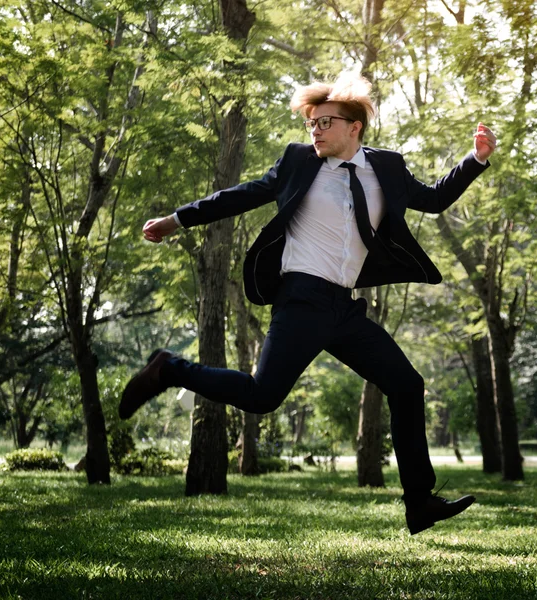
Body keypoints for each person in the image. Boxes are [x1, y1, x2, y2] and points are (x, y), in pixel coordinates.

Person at [120, 73, 497, 535]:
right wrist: (177, 219)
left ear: (354, 127)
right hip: (300, 298)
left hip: (343, 306)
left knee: (406, 385)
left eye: (324, 123)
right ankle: (168, 369)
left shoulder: (388, 168)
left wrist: (476, 159)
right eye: (311, 124)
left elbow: (435, 200)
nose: (314, 130)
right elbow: (242, 195)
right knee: (262, 397)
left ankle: (418, 502)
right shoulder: (299, 162)